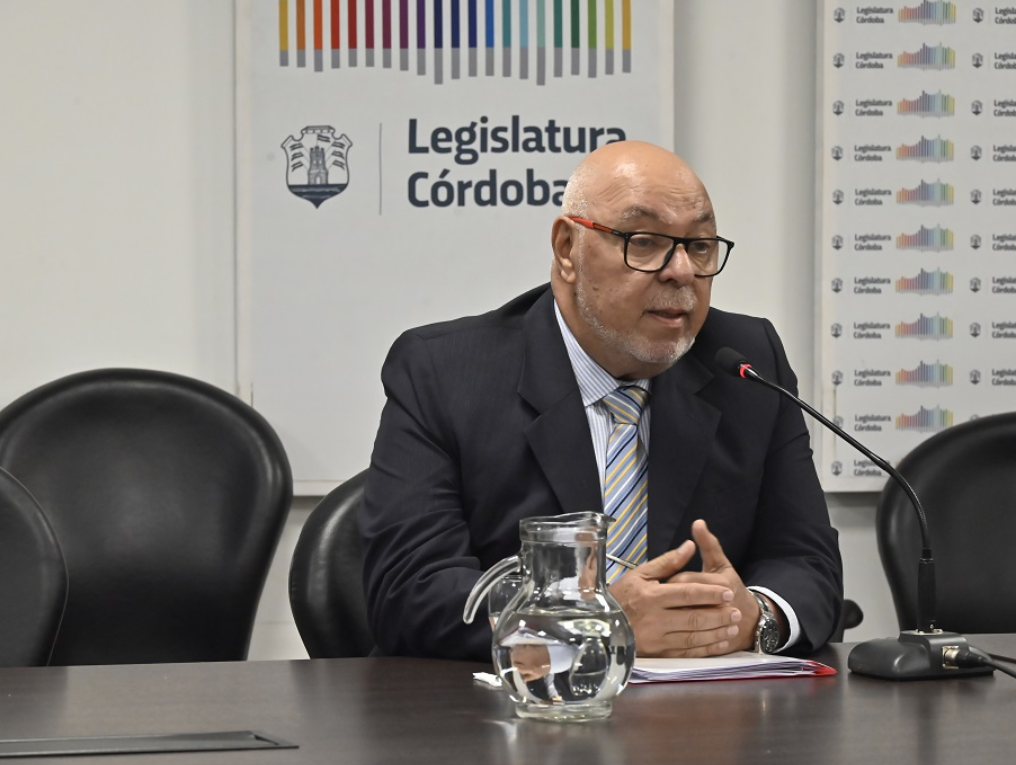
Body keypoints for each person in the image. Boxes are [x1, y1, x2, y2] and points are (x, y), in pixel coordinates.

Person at [360, 140, 842, 662]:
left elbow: (808, 562)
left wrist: (753, 618)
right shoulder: (446, 373)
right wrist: (596, 623)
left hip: (703, 706)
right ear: (568, 249)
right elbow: (410, 590)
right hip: (507, 704)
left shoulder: (747, 364)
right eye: (645, 241)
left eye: (700, 246)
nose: (681, 270)